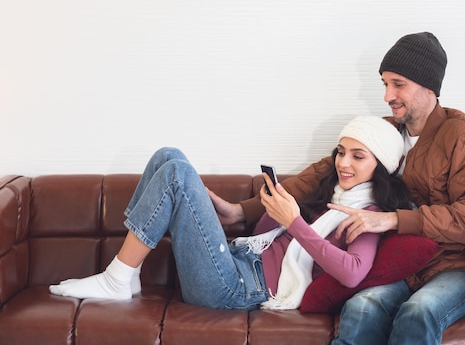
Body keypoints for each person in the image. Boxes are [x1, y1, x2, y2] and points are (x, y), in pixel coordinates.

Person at [214, 32, 465, 344]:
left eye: (398, 84)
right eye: (385, 84)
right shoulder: (384, 133)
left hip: (455, 267)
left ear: (429, 86)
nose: (387, 95)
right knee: (361, 308)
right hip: (396, 268)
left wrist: (392, 219)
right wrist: (241, 211)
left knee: (418, 311)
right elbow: (319, 176)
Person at [49, 116, 412, 311]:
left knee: (177, 174)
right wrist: (232, 214)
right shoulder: (327, 194)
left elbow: (352, 273)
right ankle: (129, 277)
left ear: (381, 165)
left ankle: (117, 279)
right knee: (168, 156)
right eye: (341, 151)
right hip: (237, 260)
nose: (343, 162)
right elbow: (269, 239)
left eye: (357, 156)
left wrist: (294, 222)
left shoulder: (368, 215)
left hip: (240, 288)